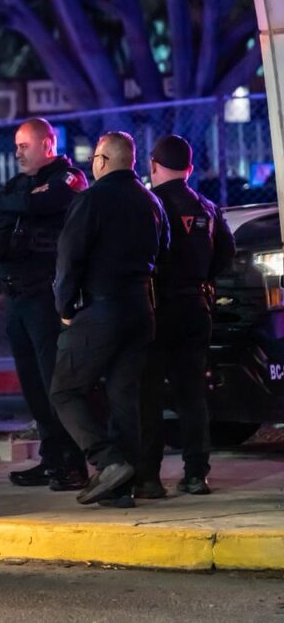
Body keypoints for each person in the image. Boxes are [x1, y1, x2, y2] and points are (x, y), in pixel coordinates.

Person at [49, 131, 170, 508]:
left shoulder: (92, 199)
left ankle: (108, 462)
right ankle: (122, 488)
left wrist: (65, 308)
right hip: (141, 310)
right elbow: (163, 252)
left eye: (94, 159)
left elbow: (69, 258)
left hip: (100, 311)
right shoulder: (151, 200)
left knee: (64, 390)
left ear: (102, 161)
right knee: (123, 398)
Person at [0, 118, 89, 491]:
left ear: (47, 144)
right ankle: (51, 458)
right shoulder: (18, 184)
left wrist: (14, 204)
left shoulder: (69, 177)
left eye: (24, 146)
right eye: (16, 146)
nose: (18, 153)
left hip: (46, 295)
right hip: (16, 295)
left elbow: (42, 202)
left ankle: (73, 463)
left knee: (55, 382)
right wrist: (17, 204)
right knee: (31, 385)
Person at [136, 135, 236, 498]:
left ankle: (149, 478)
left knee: (148, 395)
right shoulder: (207, 207)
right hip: (196, 308)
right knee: (192, 394)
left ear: (153, 165)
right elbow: (226, 254)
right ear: (189, 169)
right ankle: (196, 475)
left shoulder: (148, 204)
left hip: (156, 308)